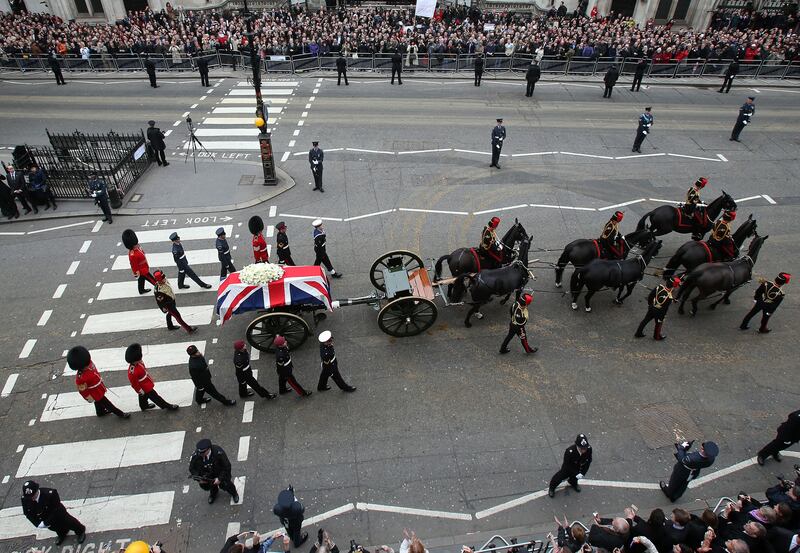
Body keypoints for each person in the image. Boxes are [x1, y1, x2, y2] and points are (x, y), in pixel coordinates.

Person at [67, 345, 130, 419]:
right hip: (95, 393)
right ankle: (120, 414)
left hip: (98, 387)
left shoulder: (88, 362)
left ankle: (100, 412)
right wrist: (89, 398)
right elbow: (83, 390)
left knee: (98, 402)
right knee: (107, 404)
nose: (87, 366)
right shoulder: (80, 378)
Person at [21, 481, 86, 545]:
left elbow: (56, 509)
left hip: (59, 514)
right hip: (45, 518)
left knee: (69, 522)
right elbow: (27, 513)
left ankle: (80, 531)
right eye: (29, 497)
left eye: (33, 495)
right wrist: (37, 523)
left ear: (37, 490)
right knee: (54, 528)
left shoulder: (50, 494)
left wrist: (46, 522)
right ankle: (62, 533)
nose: (32, 498)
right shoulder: (25, 499)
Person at [125, 343, 179, 411]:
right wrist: (140, 390)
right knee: (156, 397)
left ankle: (144, 406)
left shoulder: (138, 362)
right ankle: (167, 406)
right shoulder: (132, 371)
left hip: (146, 382)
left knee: (143, 396)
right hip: (145, 387)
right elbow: (134, 384)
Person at [189, 438, 239, 504]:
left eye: (203, 452)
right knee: (211, 486)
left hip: (220, 473)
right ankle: (213, 494)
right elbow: (192, 468)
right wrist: (199, 479)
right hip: (208, 475)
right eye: (200, 453)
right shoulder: (196, 455)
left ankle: (234, 493)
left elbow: (226, 466)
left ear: (209, 449)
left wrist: (220, 479)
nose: (201, 454)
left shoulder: (218, 453)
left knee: (227, 485)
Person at [548, 434, 592, 498]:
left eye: (585, 448)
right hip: (568, 468)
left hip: (579, 467)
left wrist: (583, 472)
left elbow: (588, 461)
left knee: (575, 478)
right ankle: (552, 488)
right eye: (582, 448)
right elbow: (567, 465)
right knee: (559, 477)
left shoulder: (589, 449)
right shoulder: (570, 451)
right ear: (577, 446)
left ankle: (572, 482)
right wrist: (576, 473)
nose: (584, 450)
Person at [123, 229, 156, 294]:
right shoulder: (132, 254)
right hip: (142, 271)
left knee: (141, 279)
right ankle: (159, 289)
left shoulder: (137, 247)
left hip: (144, 267)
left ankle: (141, 290)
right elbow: (133, 265)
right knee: (153, 281)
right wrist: (136, 273)